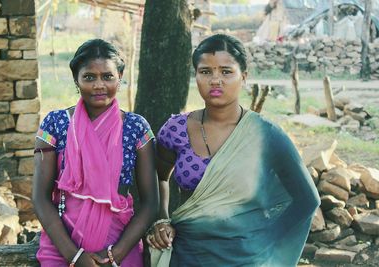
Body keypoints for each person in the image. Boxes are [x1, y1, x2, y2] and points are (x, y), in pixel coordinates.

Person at [146, 34, 320, 267]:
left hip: (246, 258)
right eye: (206, 71)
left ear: (244, 77)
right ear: (195, 76)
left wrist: (263, 239)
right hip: (187, 254)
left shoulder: (264, 135)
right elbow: (159, 176)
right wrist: (162, 218)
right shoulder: (176, 130)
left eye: (226, 72)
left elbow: (307, 199)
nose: (215, 80)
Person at [32, 39, 159, 267]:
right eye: (89, 77)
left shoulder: (136, 128)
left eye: (107, 76)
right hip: (62, 246)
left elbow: (150, 202)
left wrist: (115, 255)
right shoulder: (56, 124)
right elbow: (40, 198)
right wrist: (74, 256)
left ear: (120, 77)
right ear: (76, 80)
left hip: (120, 245)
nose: (99, 85)